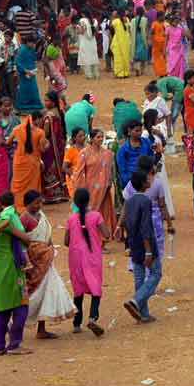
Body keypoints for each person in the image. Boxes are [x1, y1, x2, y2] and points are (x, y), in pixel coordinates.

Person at [19, 192, 77, 336]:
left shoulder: (41, 216)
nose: (39, 206)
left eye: (40, 202)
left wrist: (48, 250)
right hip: (33, 262)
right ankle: (15, 324)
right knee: (32, 295)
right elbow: (22, 243)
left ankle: (41, 329)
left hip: (46, 260)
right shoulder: (24, 219)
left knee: (47, 293)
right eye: (35, 203)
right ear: (27, 204)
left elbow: (47, 236)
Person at [0, 194, 33, 355]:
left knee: (3, 308)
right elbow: (25, 239)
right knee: (21, 306)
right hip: (12, 268)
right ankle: (14, 344)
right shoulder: (1, 223)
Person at [65, 188, 111, 336]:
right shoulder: (96, 216)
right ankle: (93, 317)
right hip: (92, 256)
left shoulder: (71, 219)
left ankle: (76, 324)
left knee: (78, 289)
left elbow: (66, 241)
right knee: (95, 286)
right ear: (88, 200)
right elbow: (106, 235)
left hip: (75, 256)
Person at [122, 169, 162, 323]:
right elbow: (146, 227)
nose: (150, 181)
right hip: (146, 244)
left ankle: (144, 314)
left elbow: (127, 222)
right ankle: (136, 301)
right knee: (156, 273)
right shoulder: (146, 201)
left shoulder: (130, 201)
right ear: (144, 183)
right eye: (147, 179)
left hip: (134, 243)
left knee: (139, 277)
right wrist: (148, 251)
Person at [73, 128, 117, 235]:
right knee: (90, 213)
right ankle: (90, 237)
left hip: (104, 190)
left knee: (103, 213)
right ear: (92, 139)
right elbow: (79, 172)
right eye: (98, 137)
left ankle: (102, 240)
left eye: (102, 137)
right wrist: (80, 190)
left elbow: (111, 171)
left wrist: (108, 183)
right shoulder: (84, 153)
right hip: (89, 190)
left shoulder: (108, 154)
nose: (101, 139)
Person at [10, 110, 46, 209]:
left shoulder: (17, 129)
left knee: (18, 184)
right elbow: (42, 149)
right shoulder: (40, 132)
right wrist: (47, 145)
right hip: (33, 162)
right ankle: (31, 205)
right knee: (32, 185)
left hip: (18, 161)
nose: (42, 121)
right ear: (37, 119)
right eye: (41, 119)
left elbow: (8, 142)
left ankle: (17, 205)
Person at [40, 90, 69, 203]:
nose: (45, 102)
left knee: (49, 168)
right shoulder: (59, 112)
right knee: (58, 167)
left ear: (53, 102)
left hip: (51, 147)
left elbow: (45, 134)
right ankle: (60, 192)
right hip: (59, 146)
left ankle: (51, 194)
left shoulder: (49, 117)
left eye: (47, 100)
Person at [110, 10, 132, 78]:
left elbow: (111, 26)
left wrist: (113, 17)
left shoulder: (115, 21)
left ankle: (119, 73)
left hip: (118, 42)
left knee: (118, 58)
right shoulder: (127, 19)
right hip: (126, 41)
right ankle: (126, 73)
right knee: (125, 56)